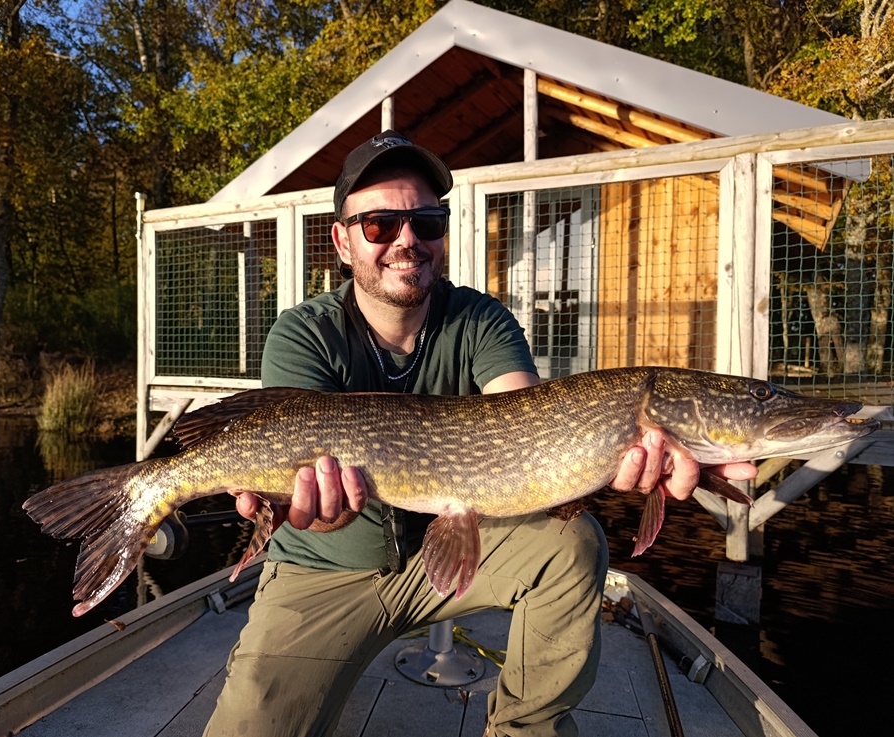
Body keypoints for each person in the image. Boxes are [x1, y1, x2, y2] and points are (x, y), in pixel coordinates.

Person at [203, 130, 757, 737]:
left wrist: (606, 456)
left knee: (574, 543)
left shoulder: (480, 318)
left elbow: (526, 424)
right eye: (380, 225)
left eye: (427, 222)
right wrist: (307, 509)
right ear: (342, 240)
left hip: (452, 551)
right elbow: (314, 504)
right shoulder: (304, 334)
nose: (407, 240)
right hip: (324, 571)